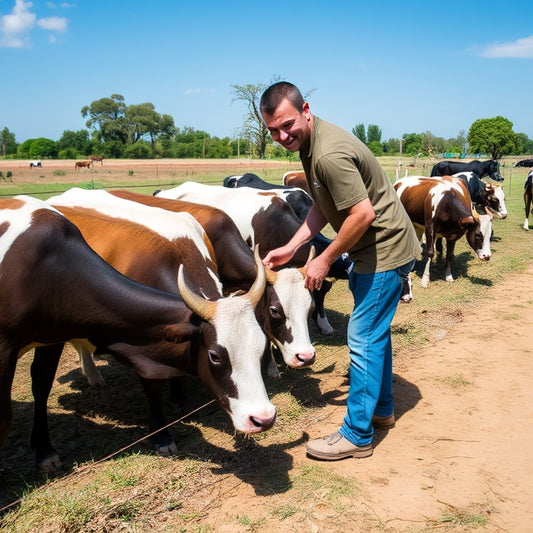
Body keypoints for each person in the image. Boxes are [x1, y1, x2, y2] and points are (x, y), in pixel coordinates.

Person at [260, 81, 421, 460]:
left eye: (287, 125)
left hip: (384, 252)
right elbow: (324, 204)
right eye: (273, 131)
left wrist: (324, 258)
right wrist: (293, 246)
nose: (282, 136)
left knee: (362, 338)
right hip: (375, 251)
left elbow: (362, 214)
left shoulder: (328, 153)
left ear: (306, 110)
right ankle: (381, 410)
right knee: (374, 336)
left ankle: (356, 435)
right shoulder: (310, 145)